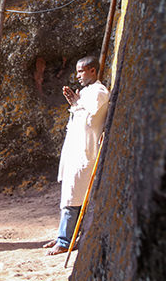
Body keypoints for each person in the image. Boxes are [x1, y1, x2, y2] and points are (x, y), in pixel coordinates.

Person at [45, 56, 110, 255]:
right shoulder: (86, 92)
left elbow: (89, 118)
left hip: (86, 152)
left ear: (92, 70)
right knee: (69, 196)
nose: (78, 75)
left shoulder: (99, 92)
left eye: (81, 71)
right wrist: (74, 102)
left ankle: (65, 241)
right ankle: (64, 236)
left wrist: (76, 102)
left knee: (74, 198)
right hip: (75, 151)